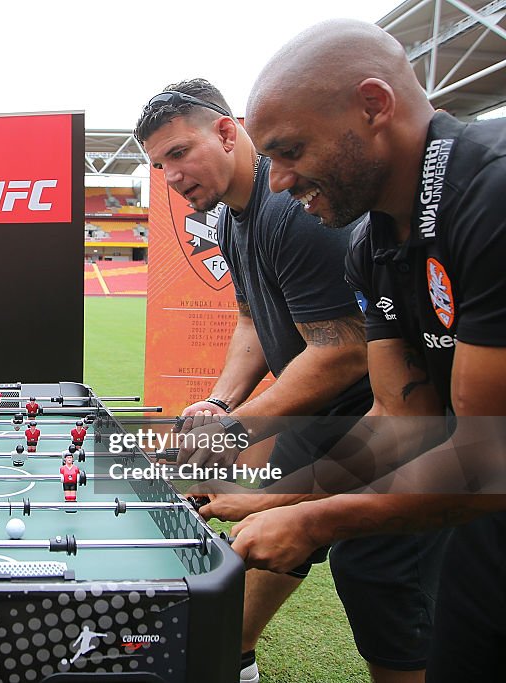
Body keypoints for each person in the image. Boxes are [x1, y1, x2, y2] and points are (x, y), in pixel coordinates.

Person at [134, 79, 445, 683]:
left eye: (178, 153)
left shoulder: (292, 211)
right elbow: (252, 320)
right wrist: (222, 402)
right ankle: (232, 656)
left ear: (228, 132)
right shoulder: (231, 217)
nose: (170, 175)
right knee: (255, 533)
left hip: (377, 417)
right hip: (320, 415)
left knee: (379, 573)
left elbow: (343, 350)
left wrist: (241, 425)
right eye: (157, 164)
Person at [239, 19, 506, 680]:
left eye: (290, 149)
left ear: (374, 104)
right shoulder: (371, 245)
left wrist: (313, 520)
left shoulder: (492, 194)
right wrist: (284, 495)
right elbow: (398, 418)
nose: (276, 181)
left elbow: (485, 454)